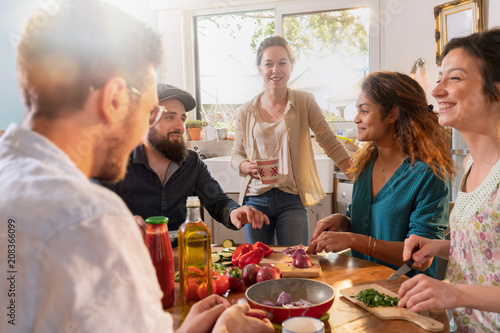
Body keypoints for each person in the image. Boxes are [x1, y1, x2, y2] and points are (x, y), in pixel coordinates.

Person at [0, 1, 274, 332]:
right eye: (152, 112)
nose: (169, 124)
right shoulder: (90, 218)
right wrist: (225, 329)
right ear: (114, 100)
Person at [398, 28, 500, 331]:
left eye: (454, 78)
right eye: (440, 77)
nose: (437, 90)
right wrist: (440, 246)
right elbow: (489, 246)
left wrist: (453, 292)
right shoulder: (470, 164)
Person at [308, 71, 454, 278]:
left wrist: (352, 240)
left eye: (364, 111)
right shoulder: (365, 165)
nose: (356, 119)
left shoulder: (429, 174)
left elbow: (421, 258)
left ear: (392, 114)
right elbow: (366, 226)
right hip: (360, 285)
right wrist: (341, 221)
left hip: (405, 293)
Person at [95, 84, 269, 244]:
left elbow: (219, 202)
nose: (180, 126)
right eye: (170, 117)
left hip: (185, 257)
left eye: (183, 119)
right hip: (134, 259)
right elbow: (91, 214)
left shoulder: (192, 162)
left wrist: (234, 212)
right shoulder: (114, 163)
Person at [231, 36, 352, 246]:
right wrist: (244, 165)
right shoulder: (245, 111)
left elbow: (328, 140)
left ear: (292, 66)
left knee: (295, 261)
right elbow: (236, 154)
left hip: (291, 198)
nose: (275, 70)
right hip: (255, 200)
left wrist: (357, 175)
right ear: (259, 68)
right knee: (258, 265)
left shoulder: (305, 101)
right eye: (268, 64)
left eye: (282, 63)